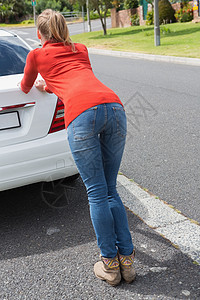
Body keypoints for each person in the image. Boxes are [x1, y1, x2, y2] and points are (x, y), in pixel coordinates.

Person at [20, 9, 136, 286]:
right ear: (64, 28)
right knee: (110, 190)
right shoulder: (80, 48)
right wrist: (53, 85)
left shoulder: (36, 55)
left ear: (39, 33)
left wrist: (44, 85)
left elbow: (25, 87)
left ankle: (110, 265)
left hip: (82, 115)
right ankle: (127, 264)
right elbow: (78, 77)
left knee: (96, 194)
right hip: (114, 106)